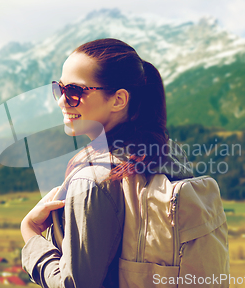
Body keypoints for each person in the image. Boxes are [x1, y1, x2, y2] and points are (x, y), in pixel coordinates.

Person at [20, 38, 194, 288]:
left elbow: (74, 285)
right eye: (59, 89)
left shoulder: (90, 181)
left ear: (118, 100)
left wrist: (30, 233)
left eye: (74, 91)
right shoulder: (168, 156)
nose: (61, 101)